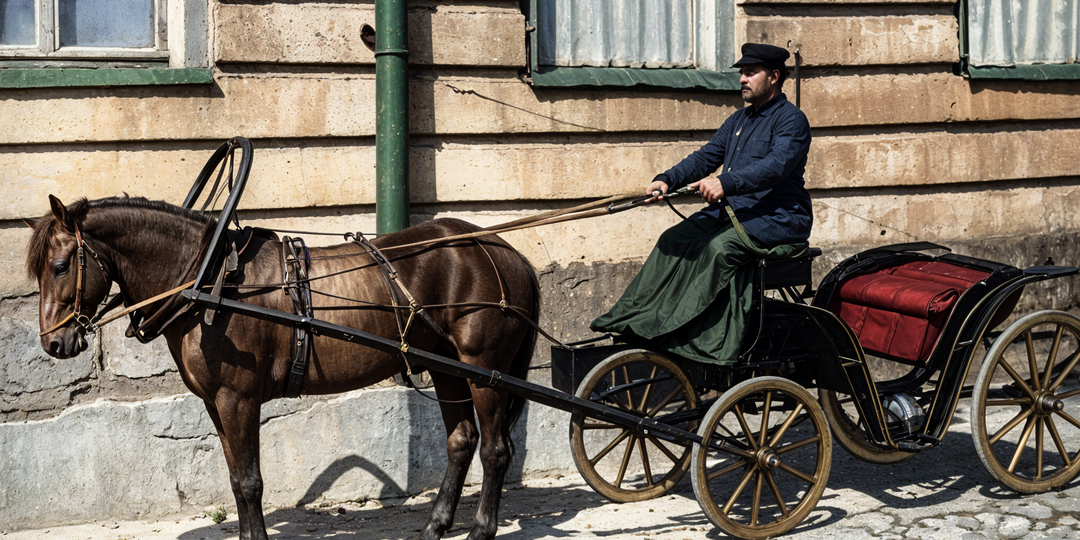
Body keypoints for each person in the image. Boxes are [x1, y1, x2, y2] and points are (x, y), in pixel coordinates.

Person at [590, 43, 813, 365]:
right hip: (737, 212)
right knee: (672, 240)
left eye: (751, 73)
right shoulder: (739, 120)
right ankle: (637, 319)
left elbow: (777, 165)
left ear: (774, 76)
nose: (742, 79)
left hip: (778, 217)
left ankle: (681, 333)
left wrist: (726, 183)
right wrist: (668, 178)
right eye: (742, 73)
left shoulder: (791, 120)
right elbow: (707, 156)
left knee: (718, 249)